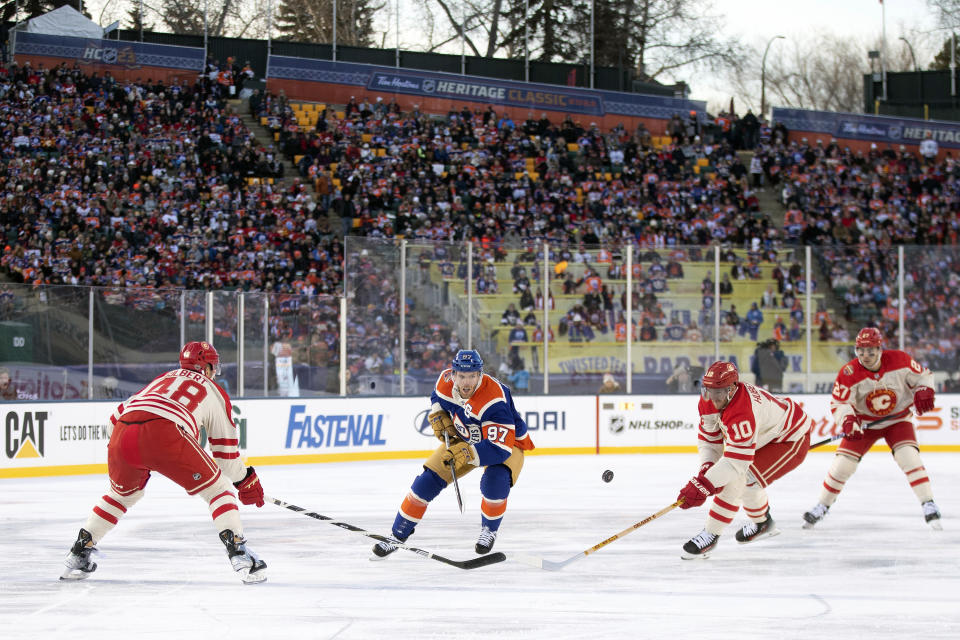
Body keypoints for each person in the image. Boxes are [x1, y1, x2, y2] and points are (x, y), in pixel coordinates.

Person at [61, 342, 268, 583]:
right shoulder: (213, 391)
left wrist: (140, 449)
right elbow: (226, 458)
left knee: (121, 495)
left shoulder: (162, 379)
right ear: (208, 367)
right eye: (214, 368)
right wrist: (246, 480)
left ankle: (80, 550)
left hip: (122, 434)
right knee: (218, 488)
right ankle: (239, 553)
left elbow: (113, 421)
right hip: (167, 432)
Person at [372, 350, 534, 558]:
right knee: (426, 482)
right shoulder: (444, 381)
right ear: (453, 374)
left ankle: (489, 530)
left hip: (505, 443)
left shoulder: (494, 399)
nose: (467, 382)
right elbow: (436, 398)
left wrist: (467, 452)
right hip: (464, 438)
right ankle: (397, 535)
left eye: (472, 376)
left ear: (480, 375)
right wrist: (437, 412)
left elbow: (499, 449)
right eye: (462, 376)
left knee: (495, 482)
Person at [801, 327, 941, 530]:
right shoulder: (849, 372)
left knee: (909, 457)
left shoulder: (900, 360)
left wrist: (924, 389)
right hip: (863, 424)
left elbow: (924, 376)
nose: (865, 356)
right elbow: (840, 403)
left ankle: (928, 503)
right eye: (861, 351)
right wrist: (848, 421)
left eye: (870, 351)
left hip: (898, 420)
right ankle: (822, 506)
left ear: (880, 349)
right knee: (842, 466)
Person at [676, 360, 813, 559]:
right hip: (763, 437)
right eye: (708, 390)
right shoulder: (709, 398)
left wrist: (705, 484)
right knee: (745, 481)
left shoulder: (742, 411)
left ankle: (711, 534)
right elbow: (709, 438)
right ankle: (763, 523)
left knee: (742, 480)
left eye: (718, 392)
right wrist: (707, 467)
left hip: (790, 438)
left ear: (731, 389)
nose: (712, 398)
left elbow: (736, 462)